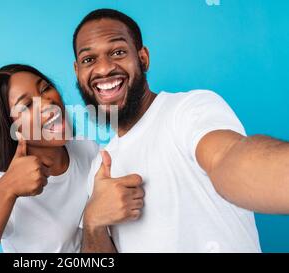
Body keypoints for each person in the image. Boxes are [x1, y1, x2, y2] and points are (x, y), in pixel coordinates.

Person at [73, 9, 289, 252]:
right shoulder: (99, 170)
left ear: (143, 58)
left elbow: (227, 157)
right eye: (89, 59)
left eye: (118, 52)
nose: (103, 69)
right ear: (77, 71)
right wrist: (93, 222)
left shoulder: (189, 110)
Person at [0, 64, 100, 252]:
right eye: (27, 105)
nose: (47, 103)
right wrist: (7, 190)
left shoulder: (86, 147)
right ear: (7, 126)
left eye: (45, 88)